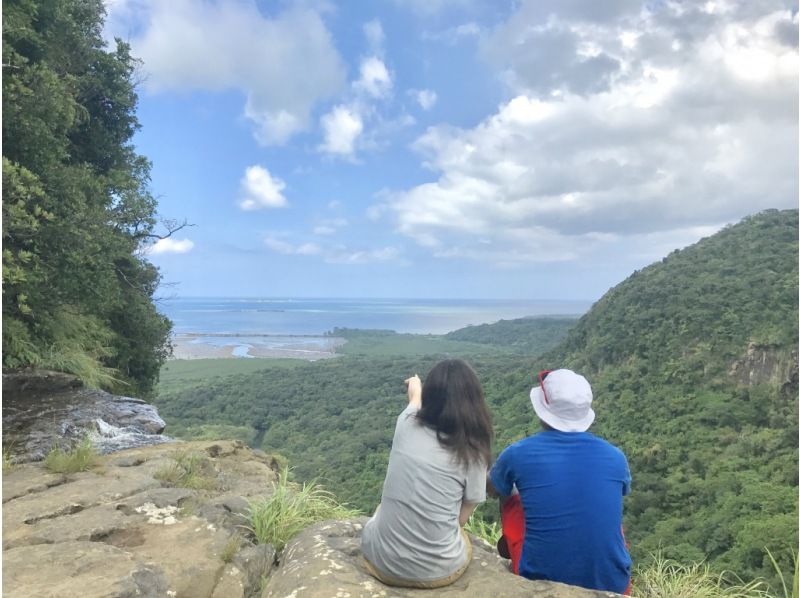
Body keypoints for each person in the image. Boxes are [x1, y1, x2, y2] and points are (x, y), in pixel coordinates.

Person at [489, 368, 632, 594]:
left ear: (542, 411)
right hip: (613, 583)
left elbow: (493, 489)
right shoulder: (616, 457)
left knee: (510, 490)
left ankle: (512, 545)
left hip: (541, 579)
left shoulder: (518, 453)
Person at [361, 359, 493, 588]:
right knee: (461, 539)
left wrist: (416, 385)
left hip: (379, 560)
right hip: (438, 572)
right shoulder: (473, 451)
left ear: (430, 396)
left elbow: (414, 401)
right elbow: (460, 519)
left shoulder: (405, 423)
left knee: (381, 511)